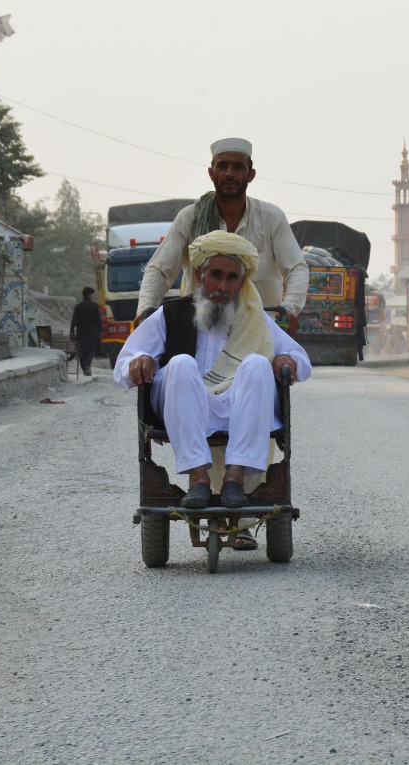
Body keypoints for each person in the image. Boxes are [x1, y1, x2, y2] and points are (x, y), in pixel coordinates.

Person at [115, 231, 311, 548]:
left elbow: (300, 359)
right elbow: (124, 363)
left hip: (236, 407)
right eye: (216, 275)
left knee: (257, 364)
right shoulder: (170, 313)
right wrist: (140, 361)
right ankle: (198, 477)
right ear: (199, 275)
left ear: (241, 282)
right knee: (181, 364)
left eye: (232, 278)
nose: (222, 286)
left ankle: (235, 477)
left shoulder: (255, 318)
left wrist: (287, 358)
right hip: (184, 407)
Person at [135, 137, 309, 335]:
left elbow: (297, 268)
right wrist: (145, 309)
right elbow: (159, 270)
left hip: (259, 333)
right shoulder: (190, 218)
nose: (229, 173)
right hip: (200, 333)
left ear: (250, 175)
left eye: (238, 167)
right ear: (211, 173)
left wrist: (289, 308)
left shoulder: (271, 219)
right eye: (222, 166)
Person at [69, 286, 101, 376]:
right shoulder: (94, 306)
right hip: (92, 333)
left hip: (81, 332)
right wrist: (100, 331)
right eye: (92, 294)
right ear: (89, 294)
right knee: (91, 350)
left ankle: (85, 368)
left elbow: (74, 320)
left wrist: (72, 330)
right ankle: (87, 366)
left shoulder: (78, 306)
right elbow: (98, 320)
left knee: (81, 351)